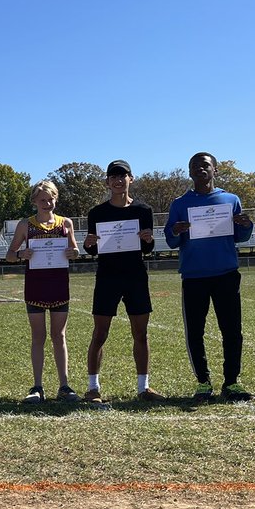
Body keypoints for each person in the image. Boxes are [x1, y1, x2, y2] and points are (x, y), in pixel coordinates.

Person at [164, 153, 255, 402]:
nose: (200, 169)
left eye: (205, 165)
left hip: (226, 274)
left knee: (232, 331)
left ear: (215, 170)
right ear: (190, 172)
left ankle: (232, 382)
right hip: (194, 276)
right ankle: (203, 383)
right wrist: (176, 230)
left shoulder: (230, 199)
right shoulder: (180, 203)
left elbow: (240, 237)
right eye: (195, 166)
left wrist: (246, 224)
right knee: (195, 331)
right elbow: (171, 240)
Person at [82, 160, 162, 403]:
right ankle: (93, 388)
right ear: (107, 182)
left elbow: (147, 248)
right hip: (107, 276)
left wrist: (148, 239)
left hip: (135, 276)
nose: (118, 180)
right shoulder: (97, 213)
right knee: (100, 333)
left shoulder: (143, 210)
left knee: (140, 333)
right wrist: (88, 245)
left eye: (123, 175)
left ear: (131, 179)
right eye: (113, 176)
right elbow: (94, 250)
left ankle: (143, 387)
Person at [5, 180, 80, 403]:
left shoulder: (65, 223)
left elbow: (75, 249)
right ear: (34, 201)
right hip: (36, 285)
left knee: (60, 336)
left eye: (51, 199)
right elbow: (10, 254)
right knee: (38, 336)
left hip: (59, 284)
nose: (47, 203)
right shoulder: (24, 225)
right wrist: (20, 255)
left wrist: (72, 252)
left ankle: (64, 386)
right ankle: (37, 386)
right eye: (43, 200)